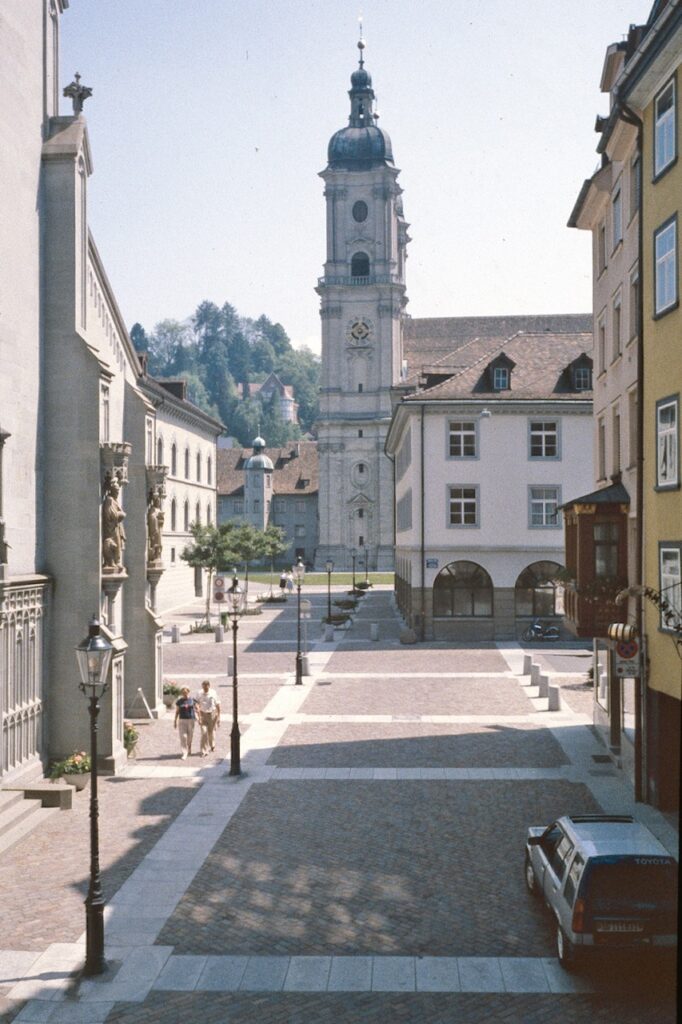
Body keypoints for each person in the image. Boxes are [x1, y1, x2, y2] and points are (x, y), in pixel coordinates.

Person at [195, 679, 221, 756]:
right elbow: (196, 702)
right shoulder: (199, 693)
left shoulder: (213, 693)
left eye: (206, 687)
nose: (205, 689)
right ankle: (203, 751)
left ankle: (212, 745)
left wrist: (219, 716)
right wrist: (197, 711)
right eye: (204, 687)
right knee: (204, 733)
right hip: (203, 714)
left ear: (209, 686)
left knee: (211, 732)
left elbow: (218, 704)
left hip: (212, 714)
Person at [174, 686, 197, 760]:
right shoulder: (179, 701)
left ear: (188, 692)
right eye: (183, 692)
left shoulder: (192, 700)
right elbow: (177, 711)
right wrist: (175, 721)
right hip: (182, 720)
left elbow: (197, 708)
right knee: (183, 737)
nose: (184, 694)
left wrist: (199, 717)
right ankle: (184, 752)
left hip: (191, 719)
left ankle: (189, 746)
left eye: (186, 692)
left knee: (190, 736)